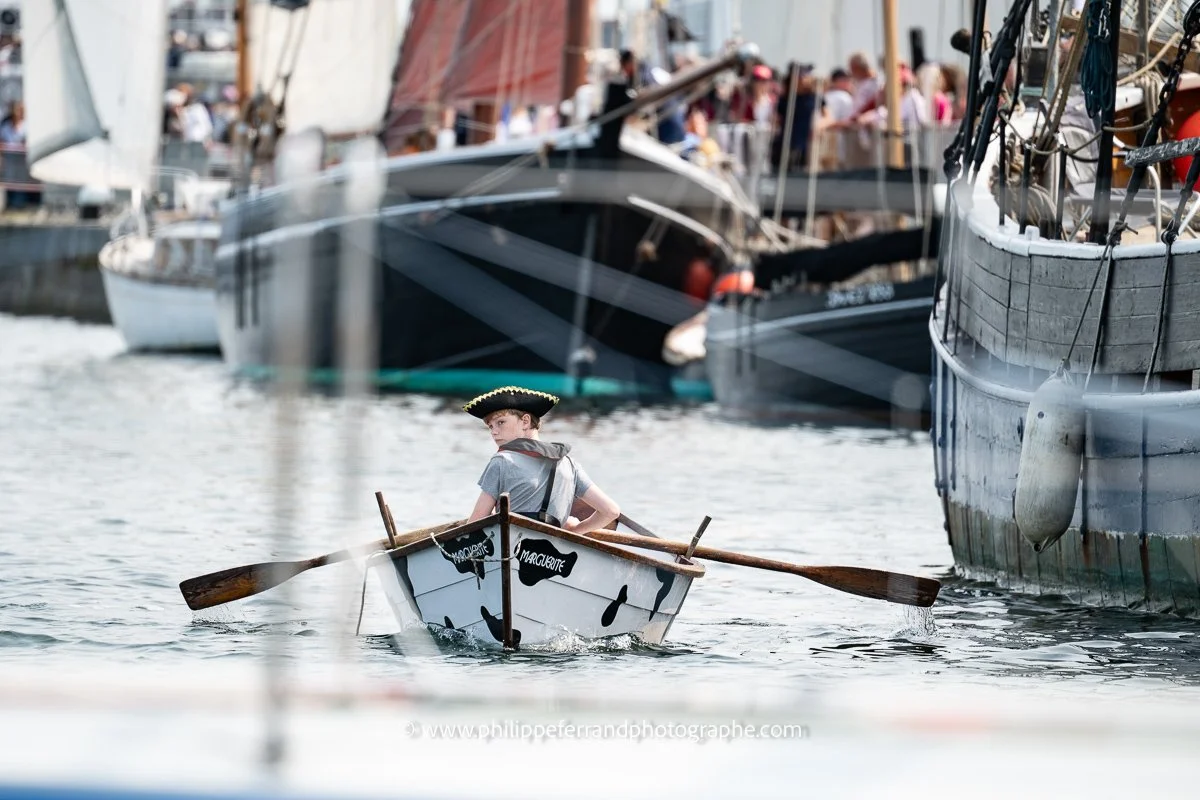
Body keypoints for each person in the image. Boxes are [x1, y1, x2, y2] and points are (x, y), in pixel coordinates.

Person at [464, 386, 620, 535]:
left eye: (500, 422)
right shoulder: (570, 464)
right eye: (490, 427)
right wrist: (575, 531)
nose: (494, 432)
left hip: (512, 545)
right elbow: (611, 511)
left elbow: (475, 523)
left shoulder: (502, 460)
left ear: (525, 421)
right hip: (554, 556)